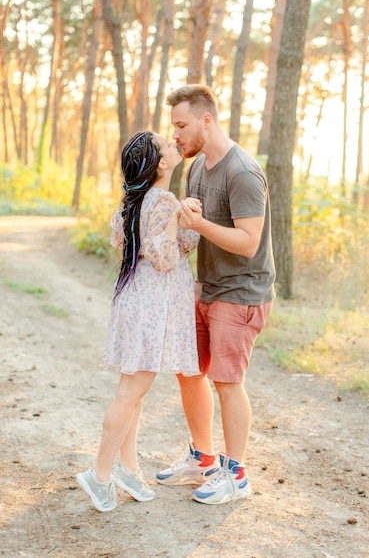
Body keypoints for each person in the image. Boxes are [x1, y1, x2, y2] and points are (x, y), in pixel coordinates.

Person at [156, 84, 276, 505]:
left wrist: (200, 226)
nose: (175, 135)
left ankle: (236, 474)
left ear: (207, 119)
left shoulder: (241, 171)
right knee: (189, 371)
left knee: (227, 382)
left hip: (241, 292)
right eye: (174, 126)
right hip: (204, 288)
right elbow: (193, 228)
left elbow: (247, 241)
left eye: (182, 125)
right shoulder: (198, 167)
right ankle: (203, 459)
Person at [76, 130, 205, 512]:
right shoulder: (163, 199)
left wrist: (186, 218)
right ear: (162, 163)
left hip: (136, 302)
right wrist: (175, 220)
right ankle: (99, 474)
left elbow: (127, 238)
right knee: (130, 393)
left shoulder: (138, 199)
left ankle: (128, 469)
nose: (173, 141)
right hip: (150, 308)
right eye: (167, 143)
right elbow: (165, 256)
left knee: (135, 392)